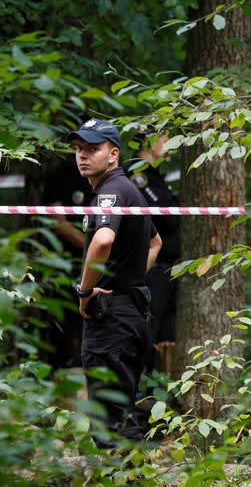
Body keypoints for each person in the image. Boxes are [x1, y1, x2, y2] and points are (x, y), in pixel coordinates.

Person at [67, 118, 162, 445]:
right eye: (79, 149)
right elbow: (155, 244)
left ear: (113, 154)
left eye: (92, 149)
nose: (82, 155)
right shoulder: (128, 190)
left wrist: (84, 291)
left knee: (113, 428)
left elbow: (103, 240)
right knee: (118, 418)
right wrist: (128, 279)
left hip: (112, 322)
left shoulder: (111, 192)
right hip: (129, 314)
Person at [130, 133, 181, 371]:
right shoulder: (137, 174)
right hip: (151, 269)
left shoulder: (157, 175)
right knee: (147, 331)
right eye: (165, 137)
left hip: (168, 269)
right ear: (149, 140)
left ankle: (157, 391)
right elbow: (167, 218)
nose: (171, 144)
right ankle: (139, 390)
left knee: (166, 335)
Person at [40, 156, 90, 369]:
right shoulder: (59, 176)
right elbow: (59, 225)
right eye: (79, 147)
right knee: (67, 324)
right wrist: (94, 248)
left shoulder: (108, 180)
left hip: (101, 264)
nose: (84, 153)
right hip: (67, 265)